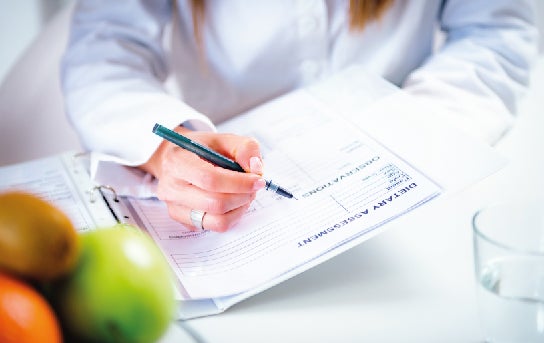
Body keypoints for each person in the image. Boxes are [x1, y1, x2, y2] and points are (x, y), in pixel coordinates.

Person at [61, 0, 539, 233]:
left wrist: (415, 139)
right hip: (234, 201)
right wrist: (168, 151)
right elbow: (102, 53)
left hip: (413, 187)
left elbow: (495, 32)